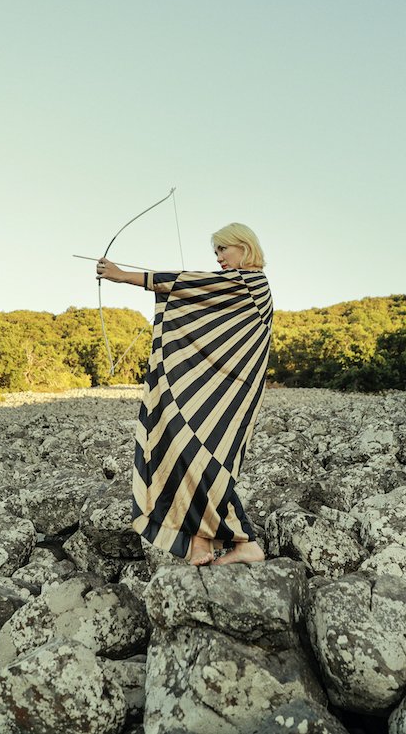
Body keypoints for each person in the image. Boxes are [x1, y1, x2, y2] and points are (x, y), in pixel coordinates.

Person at [96, 222, 272, 566]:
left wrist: (122, 275)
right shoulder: (239, 286)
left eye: (224, 249)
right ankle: (201, 542)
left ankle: (246, 541)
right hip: (217, 386)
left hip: (230, 390)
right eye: (216, 251)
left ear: (245, 247)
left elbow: (187, 285)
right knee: (189, 452)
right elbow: (200, 311)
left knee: (208, 458)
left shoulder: (251, 283)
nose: (219, 257)